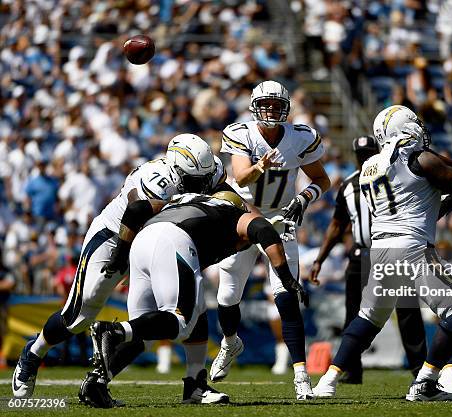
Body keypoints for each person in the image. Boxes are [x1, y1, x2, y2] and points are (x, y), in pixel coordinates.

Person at [12, 133, 231, 399]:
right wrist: (121, 257)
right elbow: (136, 212)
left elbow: (224, 192)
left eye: (203, 179)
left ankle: (191, 383)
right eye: (193, 181)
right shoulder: (156, 177)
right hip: (116, 238)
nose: (200, 185)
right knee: (79, 316)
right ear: (175, 168)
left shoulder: (208, 169)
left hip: (157, 242)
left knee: (169, 315)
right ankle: (34, 352)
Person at [312, 105, 452, 401]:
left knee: (367, 319)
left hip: (380, 250)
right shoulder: (420, 159)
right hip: (413, 249)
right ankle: (432, 381)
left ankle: (328, 380)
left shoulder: (369, 167)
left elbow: (425, 205)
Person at [81, 191, 306, 407]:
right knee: (179, 320)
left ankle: (96, 382)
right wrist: (286, 277)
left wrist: (122, 255)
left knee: (146, 333)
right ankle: (114, 332)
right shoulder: (231, 212)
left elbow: (137, 207)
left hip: (141, 243)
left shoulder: (182, 201)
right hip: (171, 242)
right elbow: (263, 228)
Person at [210, 80, 330, 400]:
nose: (271, 111)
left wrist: (304, 198)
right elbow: (240, 176)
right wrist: (259, 165)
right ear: (254, 106)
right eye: (266, 104)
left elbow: (322, 179)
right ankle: (230, 342)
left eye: (277, 105)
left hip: (280, 220)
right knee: (228, 294)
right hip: (243, 219)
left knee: (286, 296)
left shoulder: (300, 137)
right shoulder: (240, 133)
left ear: (286, 107)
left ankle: (301, 376)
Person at [309, 135, 430, 385]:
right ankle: (351, 369)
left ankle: (420, 370)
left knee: (407, 311)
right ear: (355, 157)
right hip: (362, 254)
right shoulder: (351, 184)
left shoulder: (397, 176)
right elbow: (336, 224)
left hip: (389, 250)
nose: (365, 158)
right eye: (361, 155)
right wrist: (320, 258)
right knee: (356, 315)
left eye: (368, 153)